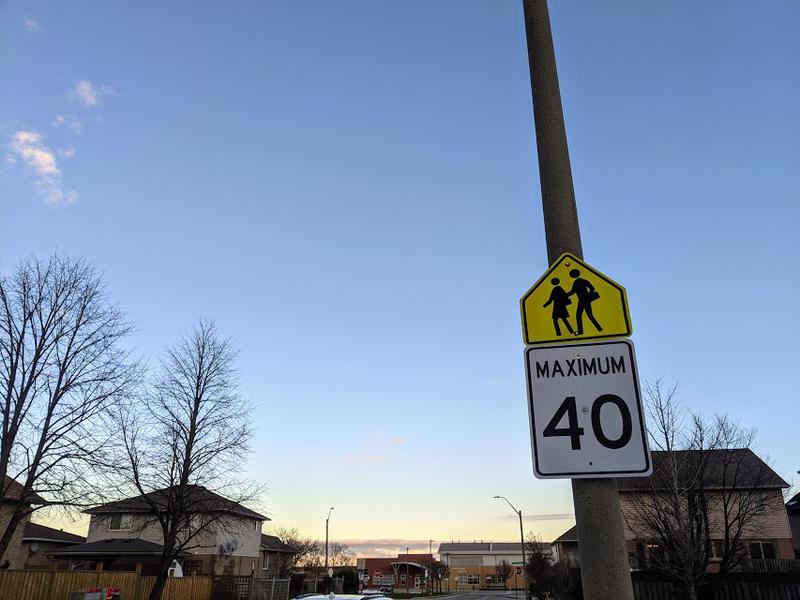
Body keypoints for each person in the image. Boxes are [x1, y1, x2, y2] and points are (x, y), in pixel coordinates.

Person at [567, 268, 602, 335]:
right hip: (582, 300)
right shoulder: (578, 282)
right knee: (584, 315)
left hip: (584, 300)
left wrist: (588, 296)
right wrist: (565, 295)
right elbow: (572, 292)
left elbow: (592, 288)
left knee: (584, 315)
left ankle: (598, 329)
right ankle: (598, 329)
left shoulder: (579, 281)